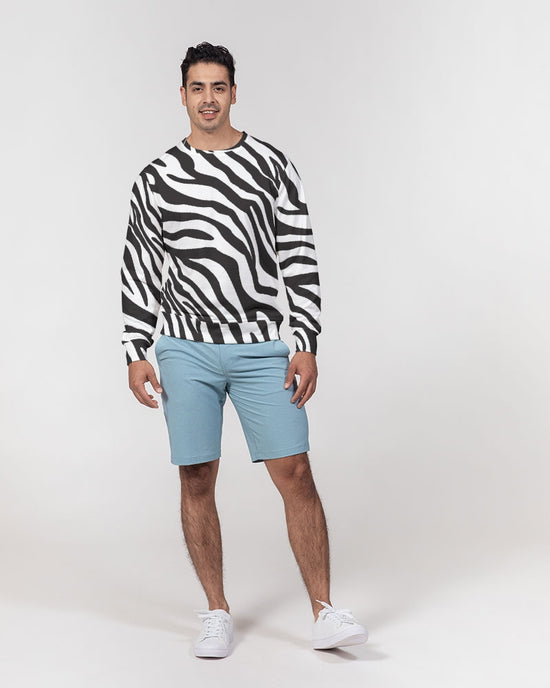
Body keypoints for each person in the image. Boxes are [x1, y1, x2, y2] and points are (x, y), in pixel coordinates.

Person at [120, 41, 368, 658]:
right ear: (182, 96)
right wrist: (135, 349)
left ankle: (325, 612)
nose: (208, 98)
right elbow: (140, 265)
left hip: (260, 346)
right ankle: (217, 611)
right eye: (197, 88)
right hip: (184, 348)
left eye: (218, 87)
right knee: (196, 475)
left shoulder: (271, 165)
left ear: (234, 92)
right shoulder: (156, 177)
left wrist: (305, 340)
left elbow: (298, 253)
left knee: (296, 471)